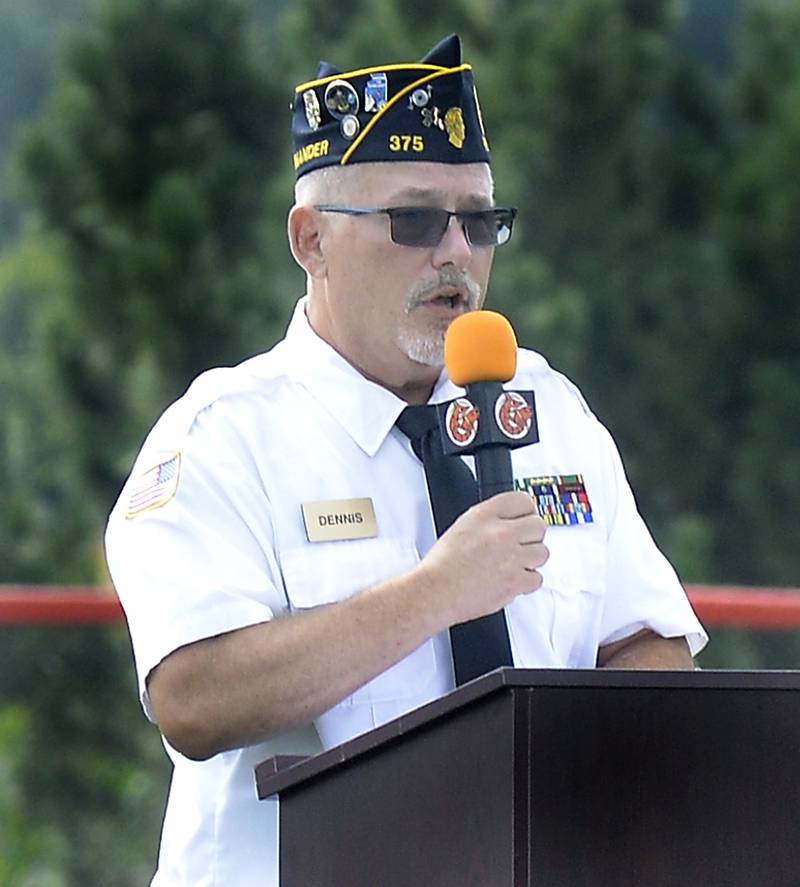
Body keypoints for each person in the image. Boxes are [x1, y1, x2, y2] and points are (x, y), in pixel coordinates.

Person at [105, 34, 707, 887]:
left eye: (480, 221)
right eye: (416, 219)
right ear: (311, 241)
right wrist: (436, 592)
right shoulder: (221, 439)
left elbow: (647, 638)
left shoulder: (549, 410)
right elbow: (193, 699)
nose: (456, 252)